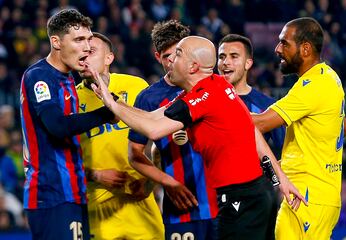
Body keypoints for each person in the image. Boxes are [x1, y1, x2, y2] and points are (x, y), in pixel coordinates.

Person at [91, 35, 307, 240]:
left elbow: (153, 130)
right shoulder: (215, 85)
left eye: (178, 54)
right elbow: (152, 117)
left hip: (242, 198)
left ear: (192, 67)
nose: (170, 61)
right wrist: (113, 100)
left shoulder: (203, 98)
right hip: (254, 194)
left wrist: (110, 105)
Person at [20, 9, 115, 240]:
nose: (86, 47)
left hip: (73, 193)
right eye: (79, 40)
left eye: (89, 40)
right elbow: (58, 126)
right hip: (51, 194)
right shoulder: (40, 76)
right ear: (56, 42)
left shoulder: (69, 79)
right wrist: (108, 112)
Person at [251, 17, 345, 239]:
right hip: (322, 196)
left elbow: (259, 124)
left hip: (306, 197)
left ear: (305, 49)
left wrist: (217, 102)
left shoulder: (311, 86)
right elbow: (343, 127)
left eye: (284, 43)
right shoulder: (330, 78)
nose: (277, 49)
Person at [128, 20, 218, 240]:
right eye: (169, 55)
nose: (176, 61)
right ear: (158, 57)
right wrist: (168, 182)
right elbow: (134, 154)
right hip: (181, 207)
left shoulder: (214, 85)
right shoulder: (149, 98)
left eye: (180, 53)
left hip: (221, 203)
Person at [76, 32, 164, 240]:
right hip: (97, 207)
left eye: (91, 52)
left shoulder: (135, 86)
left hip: (140, 200)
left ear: (109, 58)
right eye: (82, 53)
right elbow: (61, 159)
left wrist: (151, 183)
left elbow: (159, 141)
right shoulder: (70, 98)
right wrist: (96, 174)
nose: (84, 57)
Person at [217, 33, 286, 240]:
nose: (226, 62)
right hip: (211, 202)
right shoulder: (204, 100)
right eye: (221, 57)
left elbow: (284, 154)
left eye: (233, 56)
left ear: (248, 63)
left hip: (255, 205)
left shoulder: (266, 106)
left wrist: (268, 185)